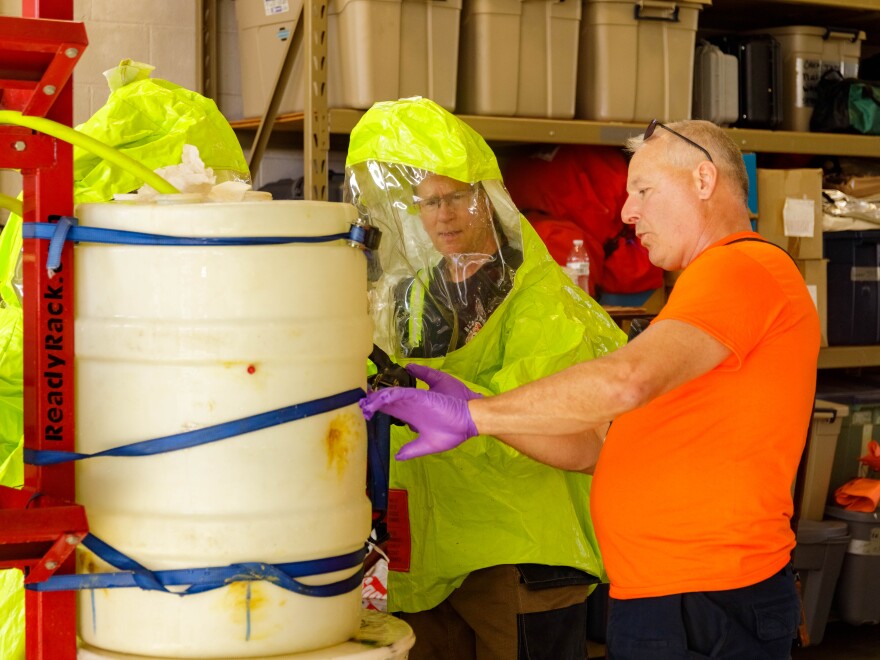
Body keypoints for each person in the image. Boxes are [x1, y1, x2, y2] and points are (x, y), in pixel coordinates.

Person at [361, 119, 821, 660]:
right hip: (663, 597)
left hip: (709, 596)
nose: (627, 213)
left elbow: (627, 380)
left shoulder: (743, 266)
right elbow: (597, 446)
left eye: (643, 191)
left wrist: (479, 417)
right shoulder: (701, 292)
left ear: (703, 180)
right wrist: (474, 406)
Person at [345, 97, 627, 659]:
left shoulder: (538, 300)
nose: (443, 215)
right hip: (428, 547)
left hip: (515, 551)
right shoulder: (413, 295)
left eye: (456, 197)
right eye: (428, 203)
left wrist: (471, 412)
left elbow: (571, 431)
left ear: (488, 200)